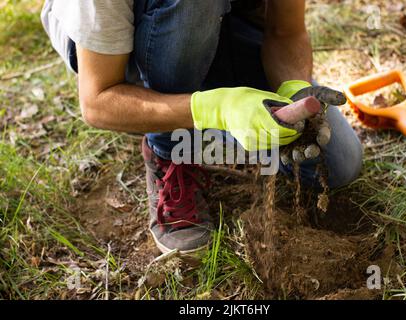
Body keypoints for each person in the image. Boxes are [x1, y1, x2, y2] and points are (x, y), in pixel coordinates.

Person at [41, 0, 363, 254]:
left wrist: (292, 89)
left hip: (222, 26)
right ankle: (170, 149)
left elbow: (286, 33)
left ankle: (210, 103)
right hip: (116, 49)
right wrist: (217, 108)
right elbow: (98, 101)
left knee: (338, 163)